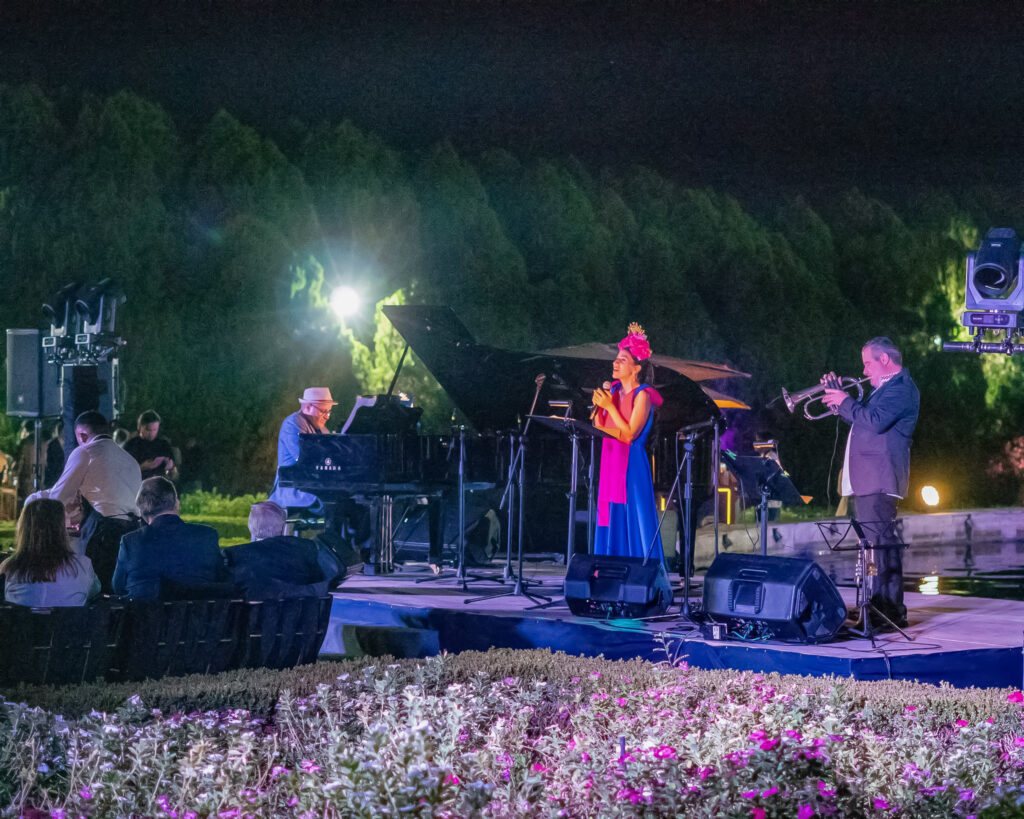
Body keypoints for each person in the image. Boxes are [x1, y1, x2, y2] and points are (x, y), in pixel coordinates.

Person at [822, 336, 920, 629]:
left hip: (880, 477)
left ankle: (887, 611)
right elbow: (862, 419)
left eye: (868, 364)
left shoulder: (901, 388)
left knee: (880, 546)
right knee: (872, 546)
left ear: (884, 360)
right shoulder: (883, 389)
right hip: (868, 477)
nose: (864, 371)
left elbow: (875, 421)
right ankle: (875, 607)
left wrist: (846, 401)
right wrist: (837, 398)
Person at [26, 411, 142, 592]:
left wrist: (33, 498)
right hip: (134, 532)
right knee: (121, 590)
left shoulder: (85, 452)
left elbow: (58, 496)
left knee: (98, 588)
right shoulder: (130, 459)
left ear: (82, 435)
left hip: (105, 532)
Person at [591, 322, 664, 560]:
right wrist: (599, 406)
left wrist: (610, 407)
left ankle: (639, 569)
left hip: (631, 463)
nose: (615, 363)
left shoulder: (643, 394)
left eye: (622, 360)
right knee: (609, 514)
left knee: (634, 516)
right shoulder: (612, 391)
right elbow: (599, 427)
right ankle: (608, 567)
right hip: (610, 459)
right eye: (616, 359)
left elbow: (630, 434)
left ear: (636, 368)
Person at [111, 477, 223, 601]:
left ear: (141, 510)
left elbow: (118, 587)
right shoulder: (207, 536)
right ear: (175, 503)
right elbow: (222, 579)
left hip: (145, 612)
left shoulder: (130, 542)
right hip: (198, 612)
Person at [222, 501, 344, 599]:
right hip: (303, 618)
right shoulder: (306, 548)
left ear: (251, 526)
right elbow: (326, 581)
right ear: (282, 526)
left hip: (253, 620)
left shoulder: (233, 556)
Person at [1, 498, 100, 606]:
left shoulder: (8, 568)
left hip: (22, 617)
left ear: (24, 529)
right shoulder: (83, 566)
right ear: (62, 528)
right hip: (68, 617)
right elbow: (94, 592)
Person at [268, 387, 337, 510]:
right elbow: (306, 460)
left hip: (313, 487)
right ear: (308, 407)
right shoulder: (292, 423)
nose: (327, 416)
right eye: (323, 411)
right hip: (295, 491)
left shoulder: (322, 429)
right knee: (339, 505)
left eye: (329, 412)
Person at [123, 410, 177, 481]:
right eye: (148, 430)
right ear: (140, 427)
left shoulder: (164, 444)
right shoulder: (131, 445)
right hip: (139, 483)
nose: (152, 433)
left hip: (160, 483)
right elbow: (123, 473)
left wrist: (171, 467)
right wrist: (142, 467)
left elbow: (175, 475)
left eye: (155, 430)